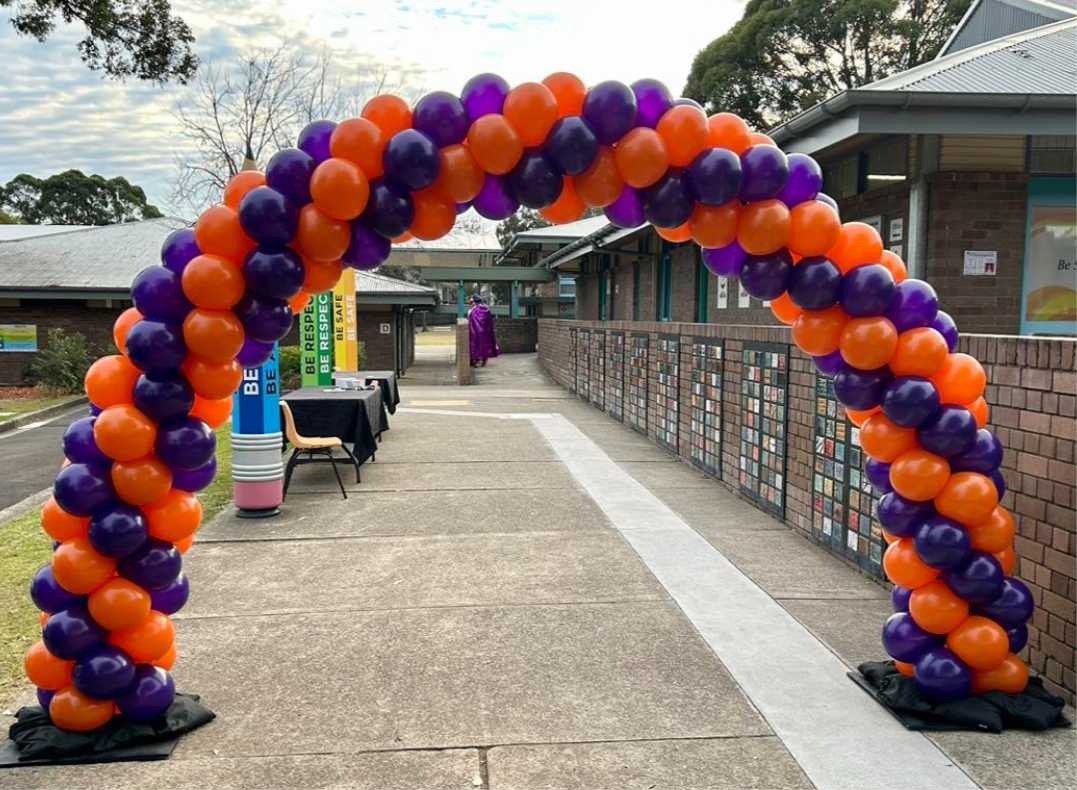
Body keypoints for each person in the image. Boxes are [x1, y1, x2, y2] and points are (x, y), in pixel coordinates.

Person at [467, 294, 500, 367]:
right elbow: (490, 321)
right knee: (485, 346)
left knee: (475, 346)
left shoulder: (472, 310)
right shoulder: (486, 309)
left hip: (475, 331)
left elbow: (470, 321)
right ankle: (484, 360)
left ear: (474, 302)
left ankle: (475, 360)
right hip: (485, 332)